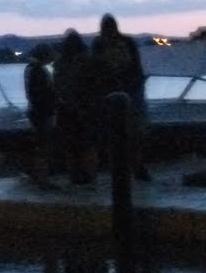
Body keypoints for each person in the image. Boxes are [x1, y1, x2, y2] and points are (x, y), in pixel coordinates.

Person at [92, 12, 151, 180]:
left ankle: (117, 168)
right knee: (135, 131)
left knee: (113, 132)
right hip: (132, 91)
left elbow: (96, 69)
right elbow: (137, 67)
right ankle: (138, 166)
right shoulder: (128, 42)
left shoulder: (98, 44)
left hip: (109, 94)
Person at [50, 29, 102, 184]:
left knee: (71, 146)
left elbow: (56, 87)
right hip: (87, 108)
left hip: (66, 109)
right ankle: (90, 176)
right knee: (89, 145)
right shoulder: (89, 62)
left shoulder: (59, 65)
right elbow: (95, 85)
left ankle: (74, 176)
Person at [21, 42, 58, 184]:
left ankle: (40, 176)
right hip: (42, 112)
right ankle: (43, 178)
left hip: (35, 111)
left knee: (40, 144)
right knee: (44, 145)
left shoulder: (30, 68)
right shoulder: (38, 70)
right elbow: (43, 93)